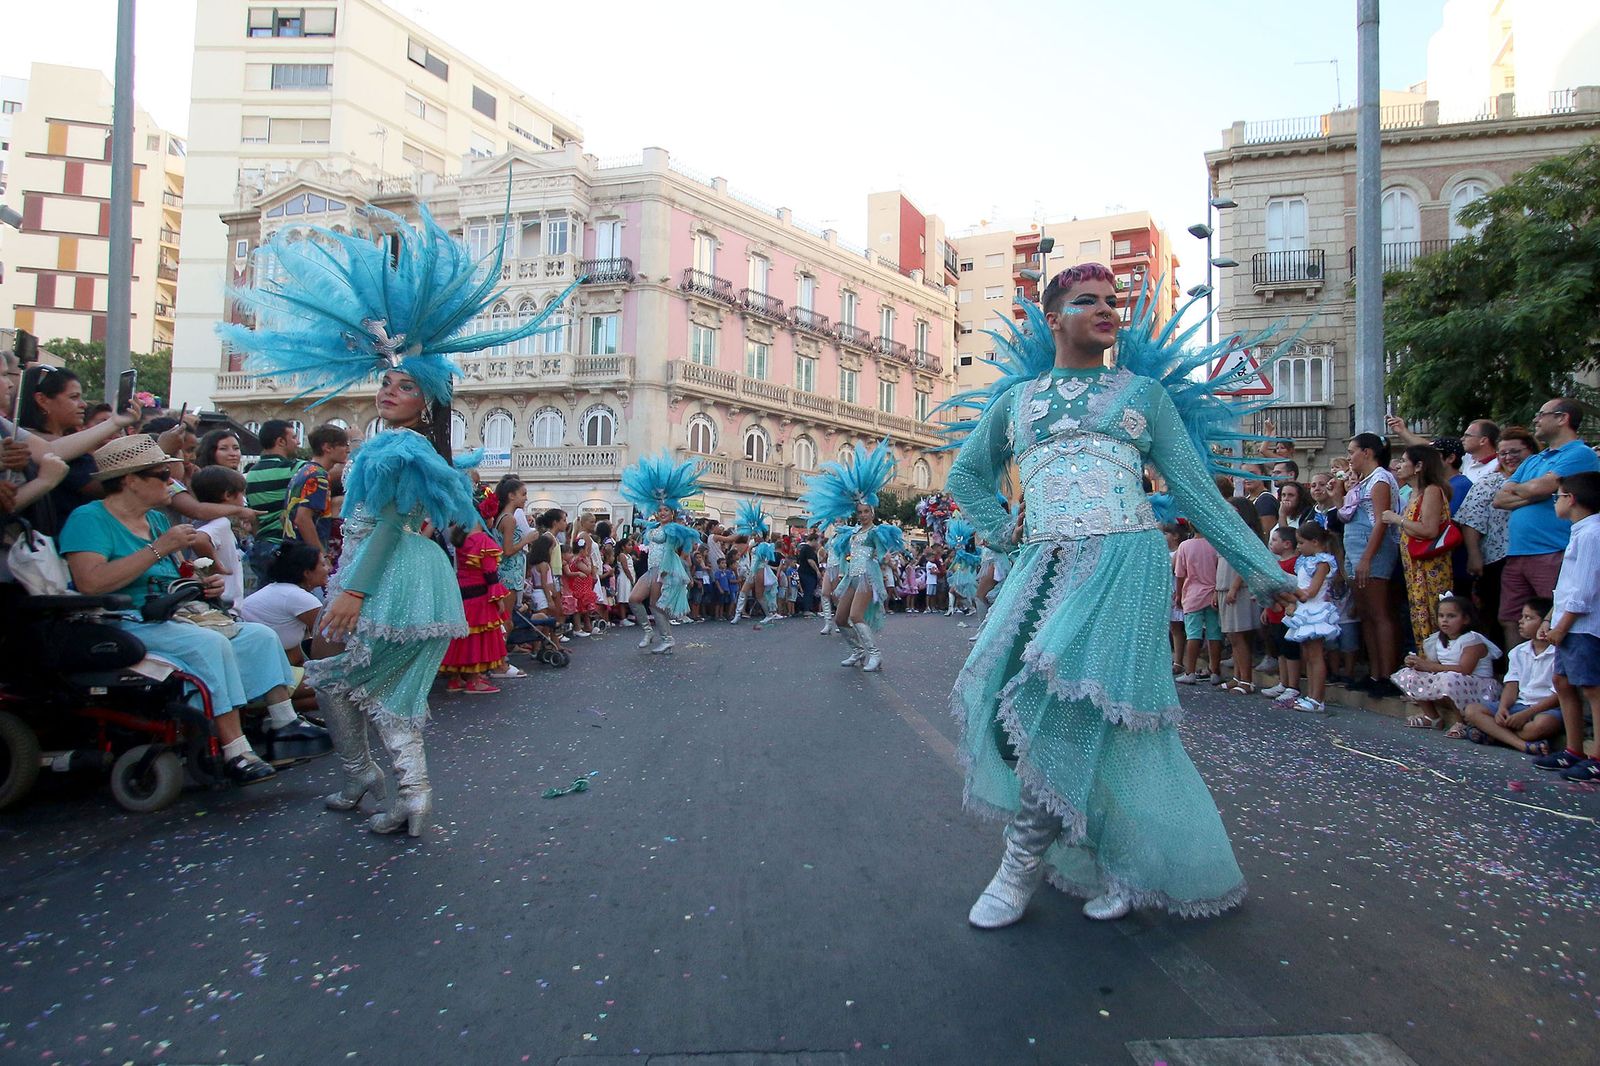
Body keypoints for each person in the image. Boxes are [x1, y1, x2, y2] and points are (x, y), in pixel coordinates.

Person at [944, 264, 1296, 926]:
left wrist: (1263, 568)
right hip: (1042, 564)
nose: (1107, 309)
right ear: (1053, 319)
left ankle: (1018, 867)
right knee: (1020, 705)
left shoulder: (1143, 395)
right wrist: (1002, 528)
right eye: (1088, 301)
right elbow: (965, 476)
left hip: (1125, 564)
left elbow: (1196, 492)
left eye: (1113, 300)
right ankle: (1114, 857)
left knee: (1067, 712)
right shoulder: (1018, 401)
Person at [217, 196, 579, 836]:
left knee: (342, 677)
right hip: (408, 573)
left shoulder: (392, 448)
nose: (390, 390)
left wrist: (353, 589)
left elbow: (387, 524)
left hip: (384, 574)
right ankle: (402, 791)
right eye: (387, 380)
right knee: (372, 687)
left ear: (426, 401)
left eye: (406, 385)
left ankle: (375, 779)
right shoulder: (410, 448)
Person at [58, 436, 327, 783]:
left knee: (258, 636)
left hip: (173, 613)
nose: (172, 481)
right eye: (162, 474)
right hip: (124, 621)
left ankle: (283, 724)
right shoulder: (89, 519)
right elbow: (90, 583)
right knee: (209, 645)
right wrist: (158, 548)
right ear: (130, 480)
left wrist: (202, 582)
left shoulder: (155, 520)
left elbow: (174, 572)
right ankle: (235, 750)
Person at [1493, 398, 1600, 649]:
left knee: (1553, 615)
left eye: (1542, 414)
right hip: (1518, 552)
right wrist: (1536, 493)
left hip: (1553, 549)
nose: (1536, 419)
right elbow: (1499, 498)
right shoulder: (1534, 460)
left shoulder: (1579, 454)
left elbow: (1540, 487)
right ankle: (1519, 672)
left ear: (1563, 418)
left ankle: (1553, 671)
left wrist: (1533, 489)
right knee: (1511, 618)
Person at [799, 439, 905, 673]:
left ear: (872, 512)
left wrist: (886, 561)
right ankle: (858, 651)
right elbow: (843, 552)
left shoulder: (876, 532)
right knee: (840, 619)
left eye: (866, 511)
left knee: (856, 616)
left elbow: (882, 554)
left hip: (867, 577)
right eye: (860, 512)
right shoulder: (853, 532)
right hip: (851, 578)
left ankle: (875, 655)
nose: (863, 515)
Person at [14, 365, 143, 535]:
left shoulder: (71, 443)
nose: (83, 404)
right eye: (74, 397)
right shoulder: (30, 443)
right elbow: (108, 487)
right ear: (42, 400)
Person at [1532, 472, 1600, 780]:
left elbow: (1584, 589)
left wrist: (1563, 625)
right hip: (1568, 621)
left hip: (1584, 624)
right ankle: (1574, 749)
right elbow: (1566, 586)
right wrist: (1551, 619)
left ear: (1571, 499)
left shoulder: (1592, 534)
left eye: (1557, 496)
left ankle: (1597, 756)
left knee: (1592, 687)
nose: (1555, 502)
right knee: (1562, 680)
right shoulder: (1580, 531)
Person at [1454, 427, 1535, 646]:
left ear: (1531, 451)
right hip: (1498, 558)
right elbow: (1471, 520)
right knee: (1502, 614)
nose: (1509, 457)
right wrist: (1474, 555)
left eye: (1515, 451)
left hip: (1539, 553)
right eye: (1503, 453)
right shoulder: (1489, 482)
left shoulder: (1542, 478)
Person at [620, 454, 704, 654]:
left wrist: (664, 572)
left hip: (662, 570)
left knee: (655, 605)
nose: (662, 512)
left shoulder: (672, 529)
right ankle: (648, 632)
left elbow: (669, 550)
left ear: (672, 512)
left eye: (666, 509)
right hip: (651, 570)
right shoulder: (654, 527)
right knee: (634, 599)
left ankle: (667, 639)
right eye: (660, 510)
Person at [1340, 433, 1402, 696]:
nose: (1349, 457)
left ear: (1367, 452)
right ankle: (1374, 672)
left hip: (1372, 551)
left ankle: (1387, 675)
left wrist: (1367, 557)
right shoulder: (1362, 481)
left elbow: (1381, 521)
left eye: (1352, 451)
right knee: (1365, 613)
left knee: (1379, 613)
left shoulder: (1380, 479)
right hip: (1354, 548)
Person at [1460, 599, 1561, 754]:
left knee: (1542, 724)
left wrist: (1526, 714)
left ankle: (1494, 735)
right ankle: (1521, 745)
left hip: (1546, 709)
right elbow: (1511, 685)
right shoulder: (1518, 651)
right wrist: (1502, 708)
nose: (1521, 621)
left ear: (1546, 623)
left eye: (1529, 618)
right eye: (1522, 616)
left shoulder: (1558, 653)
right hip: (1520, 705)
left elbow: (1558, 696)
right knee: (1472, 711)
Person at [1391, 595, 1501, 733]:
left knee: (1449, 678)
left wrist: (1430, 666)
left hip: (1477, 687)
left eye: (1451, 616)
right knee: (1411, 674)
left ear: (1466, 619)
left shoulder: (1472, 640)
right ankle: (1432, 717)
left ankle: (1462, 723)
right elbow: (1436, 663)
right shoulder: (1439, 639)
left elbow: (1464, 669)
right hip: (1453, 682)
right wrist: (1416, 663)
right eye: (1441, 616)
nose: (1444, 620)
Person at [1383, 444, 1455, 648]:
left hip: (1429, 567)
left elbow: (1429, 530)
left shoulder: (1431, 491)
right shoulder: (1414, 493)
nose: (1399, 465)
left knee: (1432, 615)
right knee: (1418, 615)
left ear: (1419, 466)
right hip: (1414, 567)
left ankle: (1437, 660)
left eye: (1404, 461)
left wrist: (1397, 519)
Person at [440, 524, 509, 694]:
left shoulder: (461, 537)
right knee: (476, 638)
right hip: (480, 594)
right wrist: (498, 599)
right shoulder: (481, 539)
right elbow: (490, 573)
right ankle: (474, 680)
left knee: (461, 636)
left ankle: (455, 679)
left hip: (462, 592)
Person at [1281, 522, 1339, 714]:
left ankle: (1317, 699)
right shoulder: (1305, 560)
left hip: (1315, 610)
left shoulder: (1323, 562)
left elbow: (1311, 591)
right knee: (1308, 655)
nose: (1298, 547)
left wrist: (1290, 594)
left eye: (1301, 543)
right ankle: (1311, 695)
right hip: (1304, 610)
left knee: (1315, 656)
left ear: (1314, 542)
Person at [240, 542, 329, 662]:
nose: (328, 569)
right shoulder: (299, 597)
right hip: (254, 660)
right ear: (307, 573)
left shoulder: (281, 589)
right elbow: (329, 638)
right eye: (323, 565)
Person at [1217, 496, 1265, 694]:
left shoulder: (1246, 534)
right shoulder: (1229, 532)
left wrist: (1235, 587)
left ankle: (1246, 679)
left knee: (1239, 635)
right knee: (1232, 635)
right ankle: (1237, 676)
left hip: (1238, 588)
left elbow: (1245, 564)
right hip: (1224, 585)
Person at [245, 420, 302, 582]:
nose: (298, 442)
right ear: (281, 441)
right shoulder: (294, 468)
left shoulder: (251, 473)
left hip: (261, 545)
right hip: (283, 547)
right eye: (294, 437)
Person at [284, 422, 350, 557]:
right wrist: (322, 556)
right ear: (327, 447)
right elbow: (302, 519)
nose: (348, 450)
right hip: (306, 557)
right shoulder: (319, 476)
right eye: (344, 445)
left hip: (292, 551)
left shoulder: (304, 471)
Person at [189, 465, 250, 606]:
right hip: (225, 601)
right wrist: (216, 565)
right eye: (242, 493)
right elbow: (199, 539)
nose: (244, 499)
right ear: (228, 495)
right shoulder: (221, 522)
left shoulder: (202, 521)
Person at [1258, 527, 1304, 707]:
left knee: (1290, 650)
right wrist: (1266, 608)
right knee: (1280, 650)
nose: (1271, 543)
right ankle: (1283, 682)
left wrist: (1290, 604)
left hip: (1287, 614)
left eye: (1275, 540)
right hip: (1274, 613)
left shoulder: (1294, 563)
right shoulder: (1276, 564)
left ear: (1287, 544)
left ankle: (1293, 685)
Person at [1173, 526, 1223, 685]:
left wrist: (1179, 594)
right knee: (1214, 633)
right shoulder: (1215, 544)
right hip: (1213, 593)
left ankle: (1190, 671)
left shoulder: (1185, 546)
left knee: (1193, 634)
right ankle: (1215, 670)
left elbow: (1180, 574)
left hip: (1193, 594)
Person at [796, 531, 821, 616]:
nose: (818, 544)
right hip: (807, 574)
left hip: (804, 572)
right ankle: (806, 609)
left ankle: (807, 608)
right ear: (813, 540)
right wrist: (817, 571)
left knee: (808, 591)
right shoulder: (808, 549)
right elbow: (810, 561)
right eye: (817, 541)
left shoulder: (804, 548)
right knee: (808, 591)